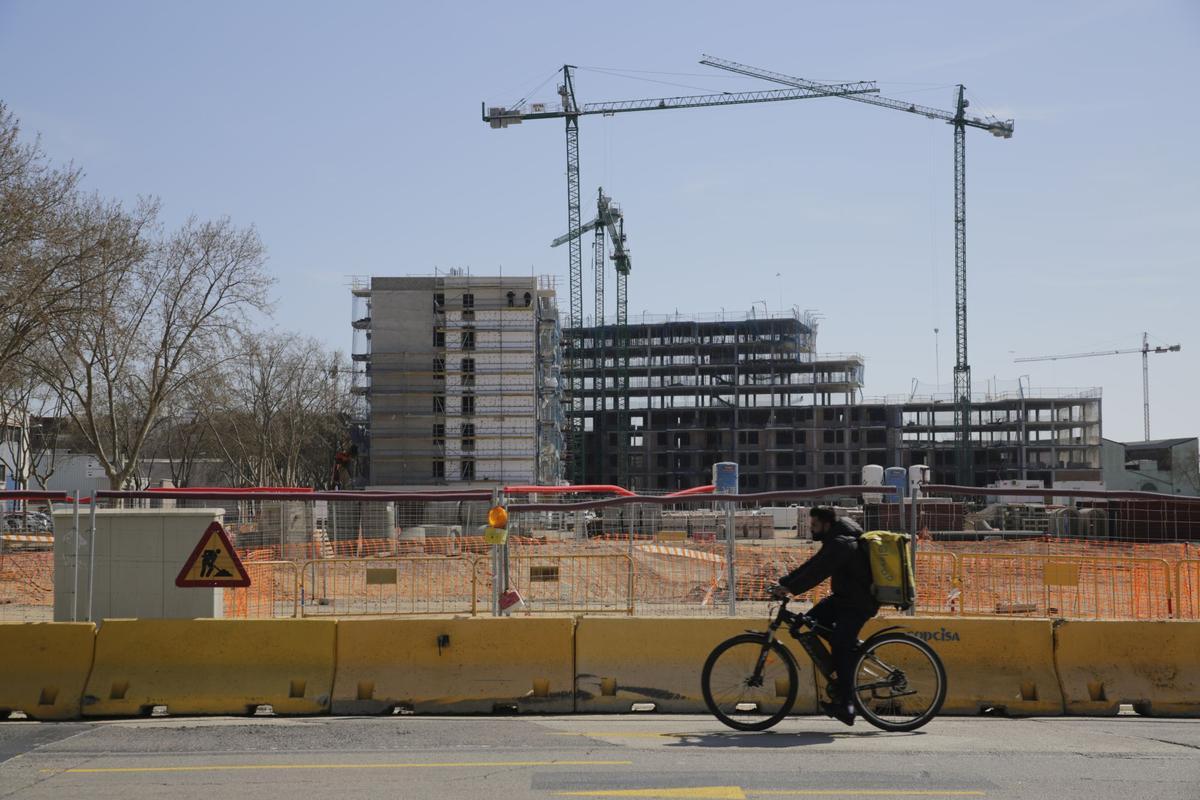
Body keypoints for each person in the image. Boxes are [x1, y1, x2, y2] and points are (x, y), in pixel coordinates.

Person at [775, 506, 879, 726]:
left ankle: (848, 705)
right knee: (807, 624)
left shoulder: (841, 544)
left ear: (826, 524)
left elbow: (818, 572)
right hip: (843, 599)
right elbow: (813, 564)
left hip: (858, 604)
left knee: (841, 646)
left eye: (814, 525)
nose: (811, 529)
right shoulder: (835, 539)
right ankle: (844, 663)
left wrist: (792, 588)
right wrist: (785, 582)